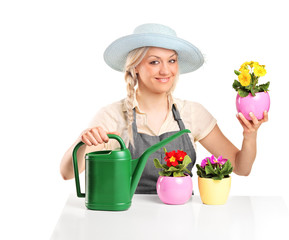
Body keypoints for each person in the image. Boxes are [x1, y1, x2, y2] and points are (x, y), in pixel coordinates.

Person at [60, 23, 268, 193]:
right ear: (135, 68)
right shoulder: (113, 116)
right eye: (154, 62)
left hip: (183, 221)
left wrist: (250, 134)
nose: (166, 70)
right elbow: (67, 173)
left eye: (172, 61)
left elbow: (241, 168)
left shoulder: (193, 113)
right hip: (128, 221)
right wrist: (83, 140)